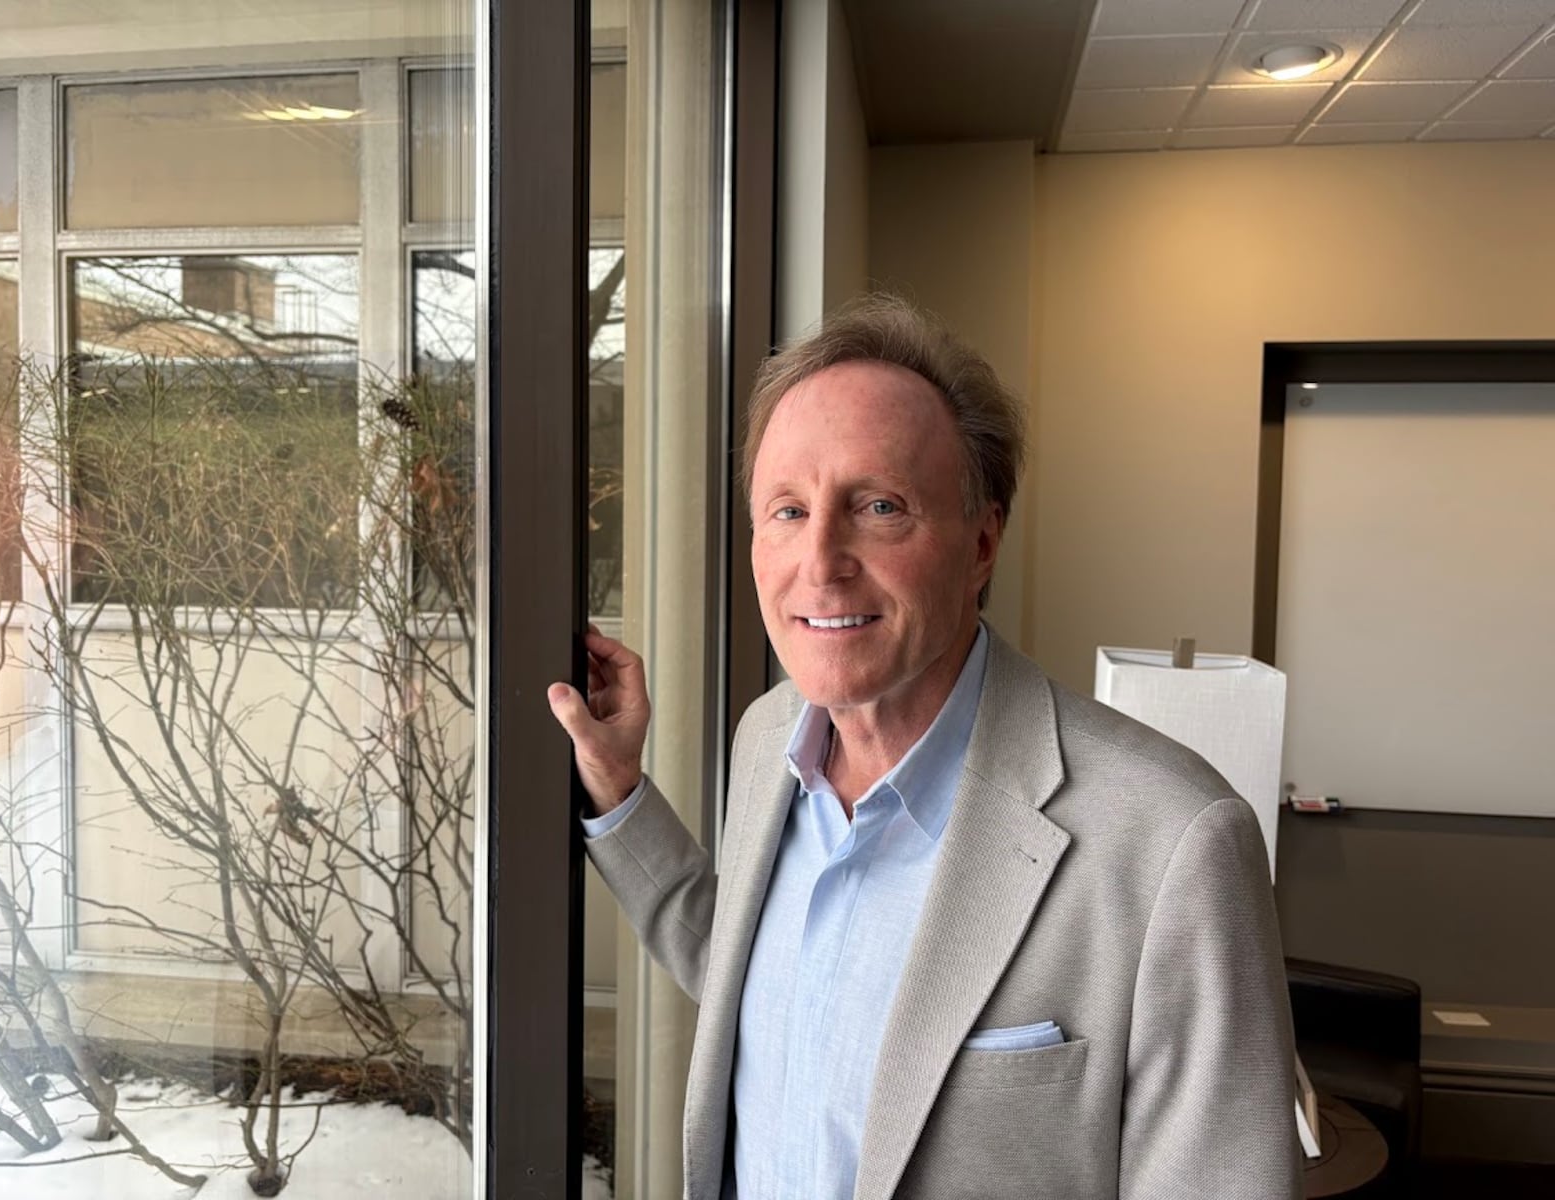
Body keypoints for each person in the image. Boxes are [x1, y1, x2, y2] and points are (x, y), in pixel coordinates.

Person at [547, 295, 1300, 1199]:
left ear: (981, 541)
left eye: (879, 506)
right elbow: (760, 980)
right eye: (786, 510)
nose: (820, 561)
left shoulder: (1175, 842)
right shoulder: (765, 739)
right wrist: (621, 791)